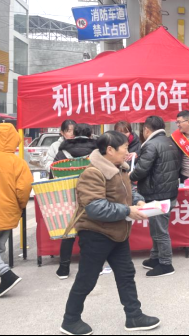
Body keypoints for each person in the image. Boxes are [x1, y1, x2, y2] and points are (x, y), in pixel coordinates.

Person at [60, 131, 161, 336]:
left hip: (118, 233)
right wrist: (127, 211)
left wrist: (139, 201)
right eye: (124, 148)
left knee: (126, 275)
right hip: (96, 234)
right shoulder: (93, 173)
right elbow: (95, 208)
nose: (127, 152)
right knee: (87, 279)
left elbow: (127, 192)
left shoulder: (120, 169)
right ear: (110, 150)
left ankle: (134, 316)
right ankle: (70, 320)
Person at [129, 116, 180, 278]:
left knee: (159, 231)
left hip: (157, 194)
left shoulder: (151, 145)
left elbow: (142, 170)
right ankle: (155, 257)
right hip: (168, 192)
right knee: (157, 228)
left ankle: (166, 264)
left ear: (146, 129)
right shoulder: (169, 142)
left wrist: (129, 176)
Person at [0, 123, 33, 298]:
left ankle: (6, 275)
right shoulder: (18, 163)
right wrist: (20, 205)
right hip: (8, 212)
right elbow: (24, 189)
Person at [55, 123, 99, 280]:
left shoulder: (62, 152)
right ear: (90, 135)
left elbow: (54, 175)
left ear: (74, 134)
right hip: (92, 195)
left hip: (69, 198)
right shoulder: (97, 152)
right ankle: (93, 266)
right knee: (92, 231)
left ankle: (63, 268)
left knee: (69, 232)